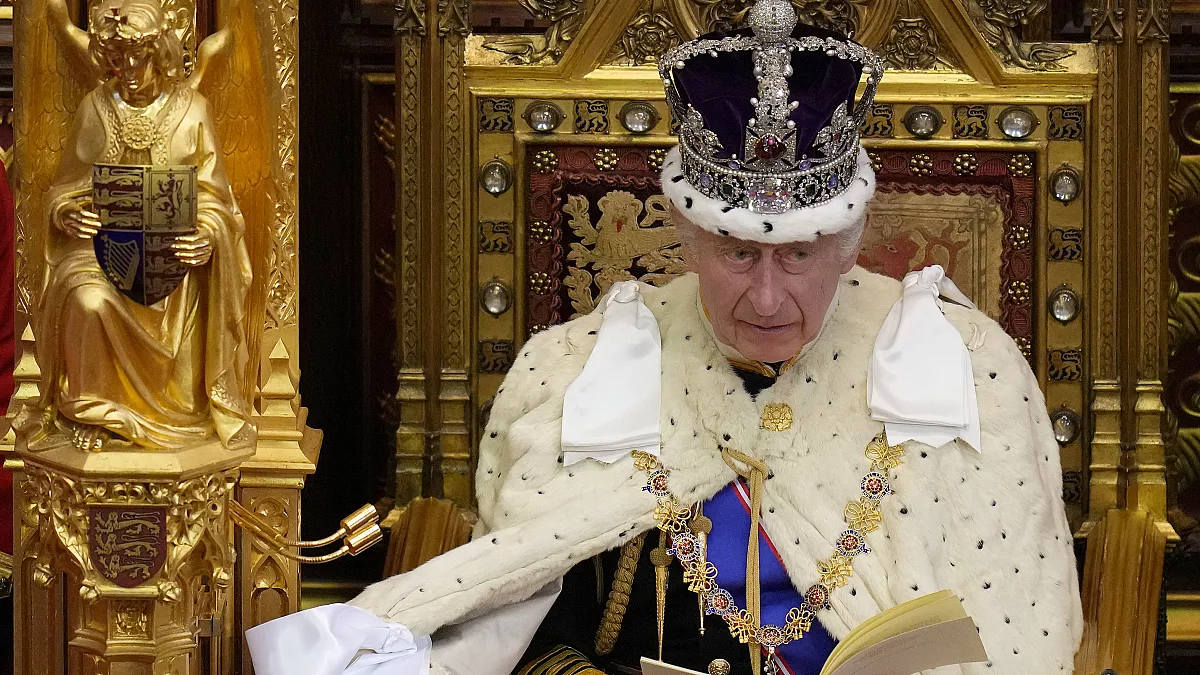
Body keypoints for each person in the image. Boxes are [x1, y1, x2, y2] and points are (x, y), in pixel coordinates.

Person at [247, 2, 1082, 674]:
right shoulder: (579, 371)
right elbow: (528, 635)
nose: (764, 296)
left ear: (852, 239)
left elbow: (1020, 641)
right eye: (734, 252)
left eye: (798, 254)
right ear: (683, 232)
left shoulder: (965, 370)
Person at [19, 0, 254, 452]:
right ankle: (94, 411)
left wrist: (206, 234)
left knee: (185, 286)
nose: (126, 68)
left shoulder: (193, 110)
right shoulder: (95, 108)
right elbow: (64, 189)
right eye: (116, 57)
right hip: (105, 252)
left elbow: (218, 199)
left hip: (175, 261)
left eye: (137, 56)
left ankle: (185, 409)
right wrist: (66, 213)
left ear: (160, 53)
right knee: (85, 299)